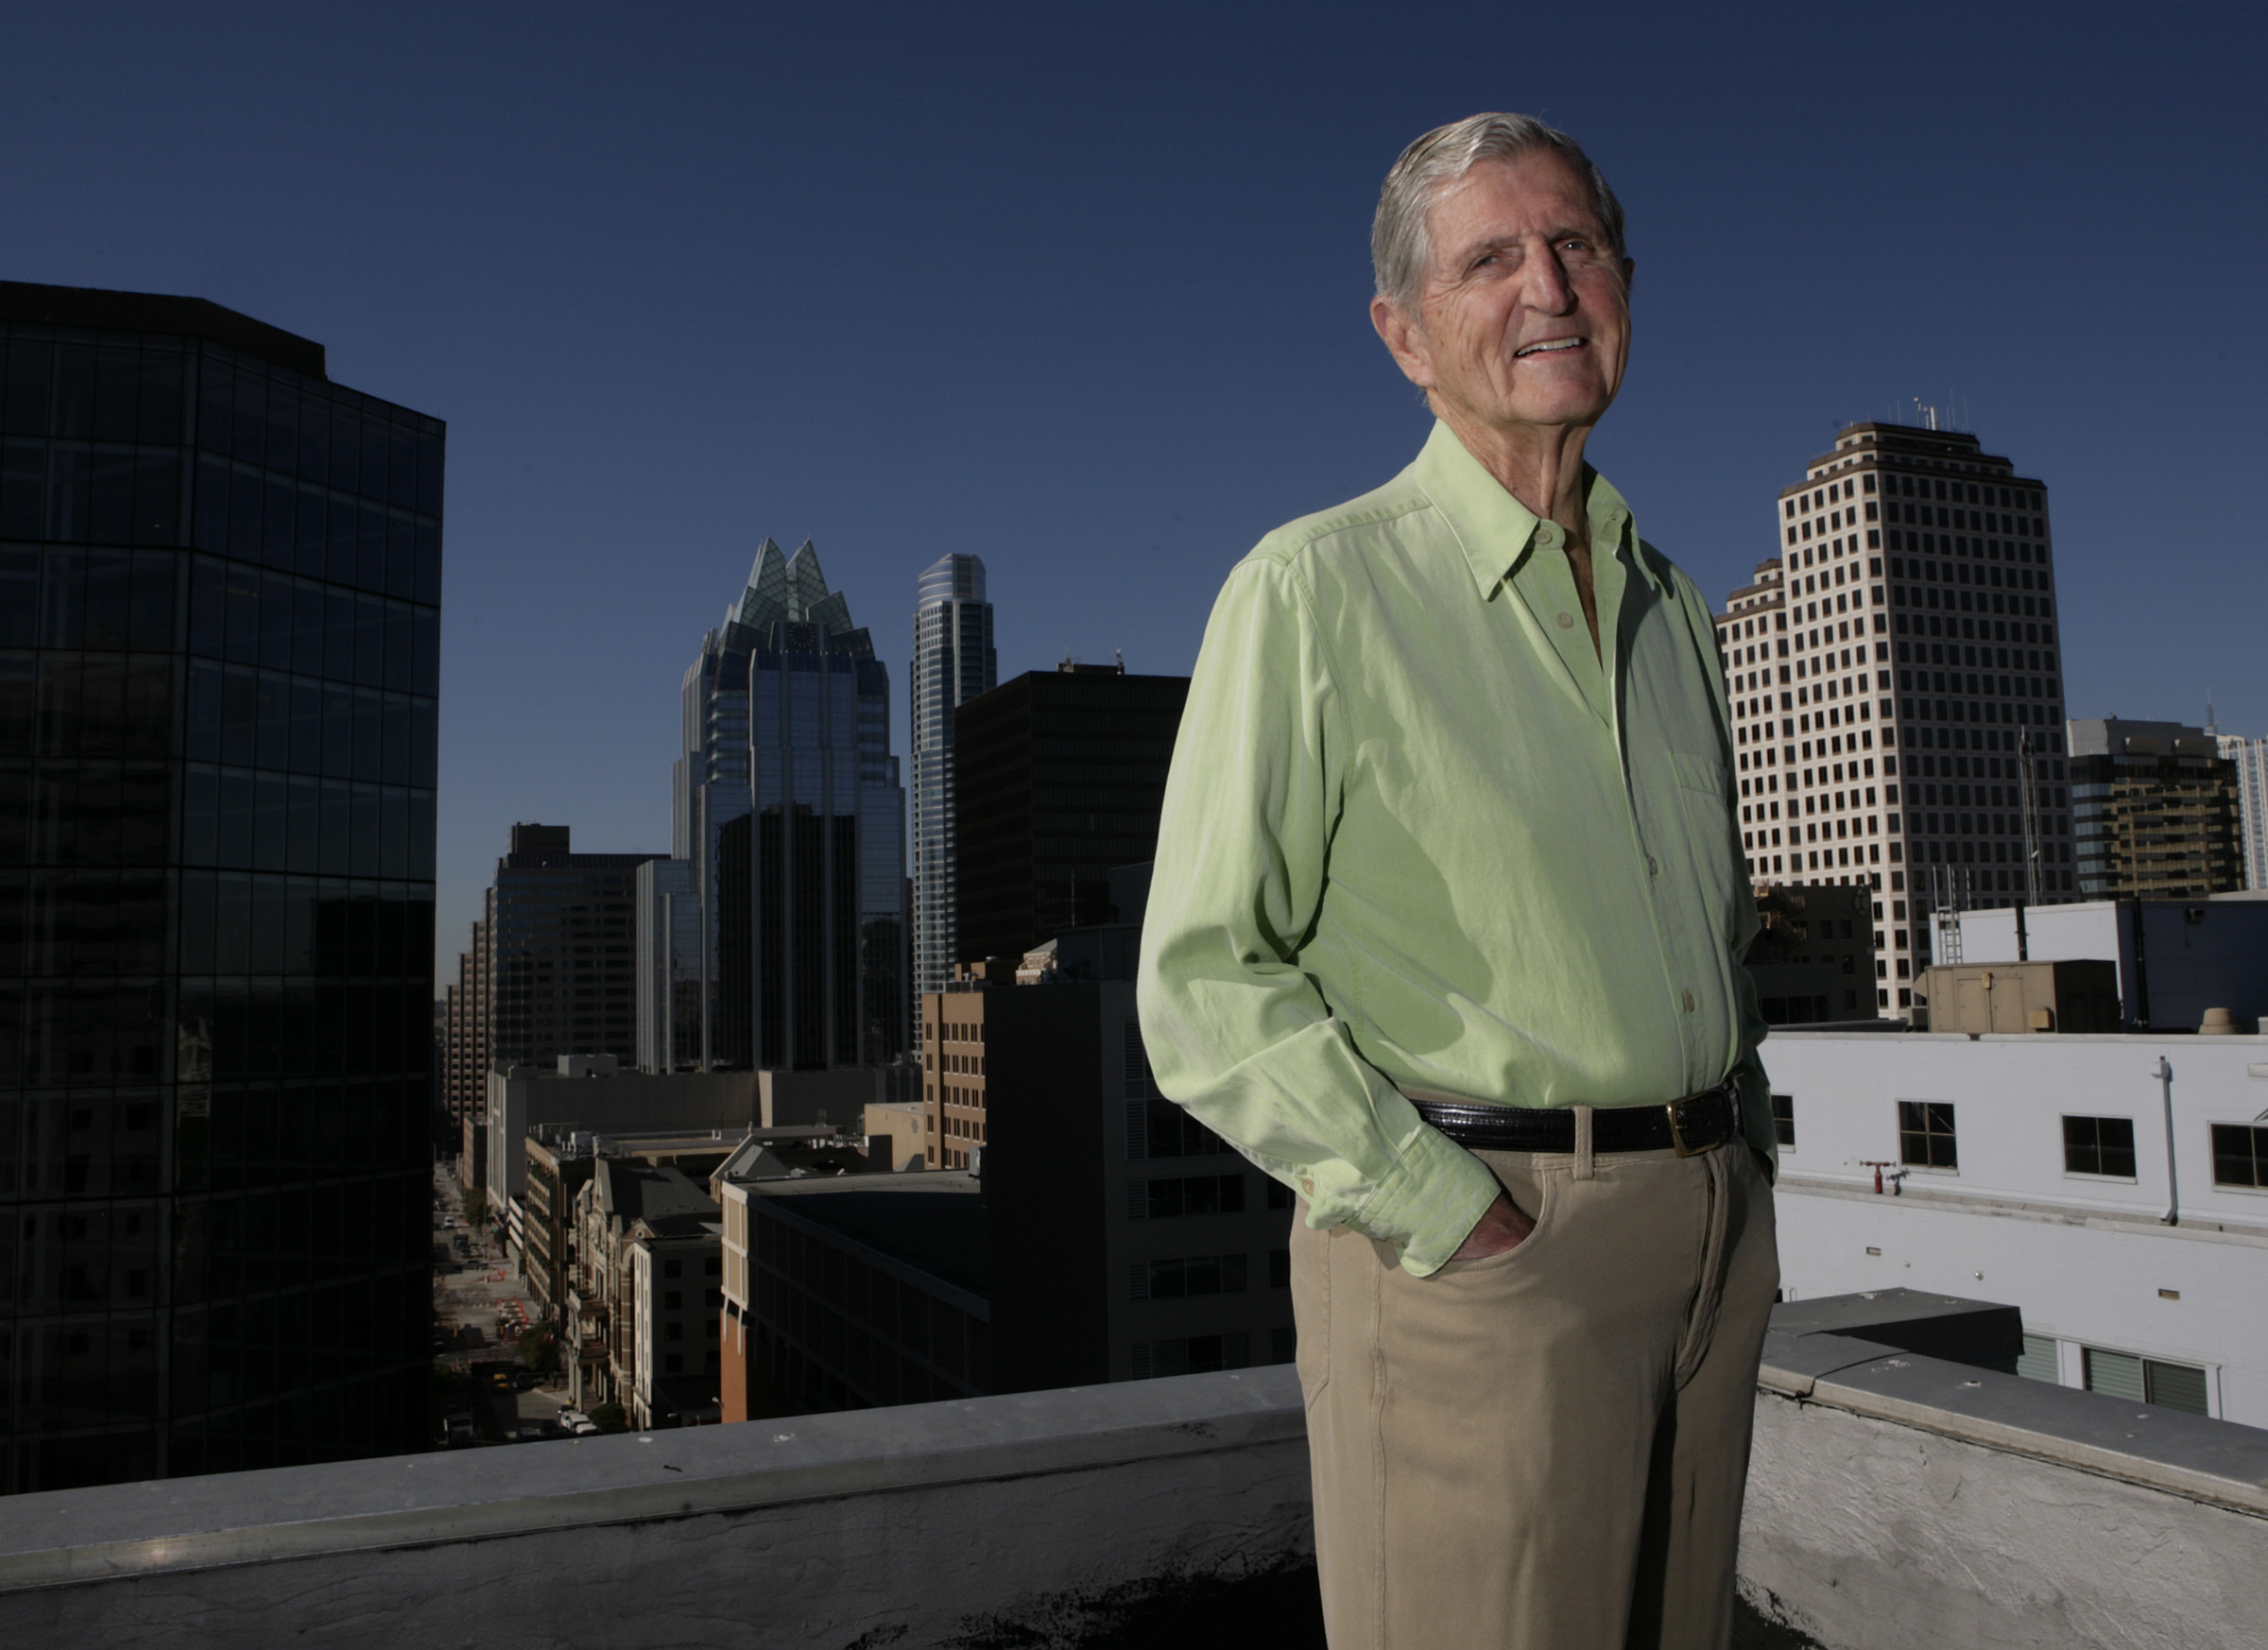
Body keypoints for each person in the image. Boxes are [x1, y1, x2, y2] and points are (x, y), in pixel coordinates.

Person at [1136, 113, 1780, 1650]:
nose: (1547, 285)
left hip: (1713, 1241)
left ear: (1628, 282)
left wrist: (1738, 1181)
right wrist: (1452, 1212)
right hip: (1486, 1244)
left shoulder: (1676, 604)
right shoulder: (1311, 588)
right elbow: (1202, 982)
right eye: (1490, 258)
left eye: (1576, 246)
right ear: (1405, 335)